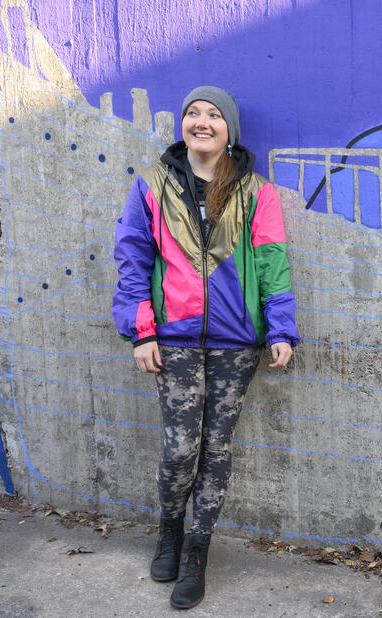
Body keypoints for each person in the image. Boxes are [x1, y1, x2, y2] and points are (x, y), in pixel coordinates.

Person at [112, 86, 299, 609]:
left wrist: (280, 329)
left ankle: (198, 549)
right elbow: (132, 259)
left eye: (214, 115)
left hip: (236, 342)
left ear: (229, 130)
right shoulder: (152, 185)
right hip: (173, 338)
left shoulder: (256, 191)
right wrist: (141, 331)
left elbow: (272, 262)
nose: (202, 121)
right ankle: (170, 531)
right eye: (192, 112)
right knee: (180, 448)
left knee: (216, 447)